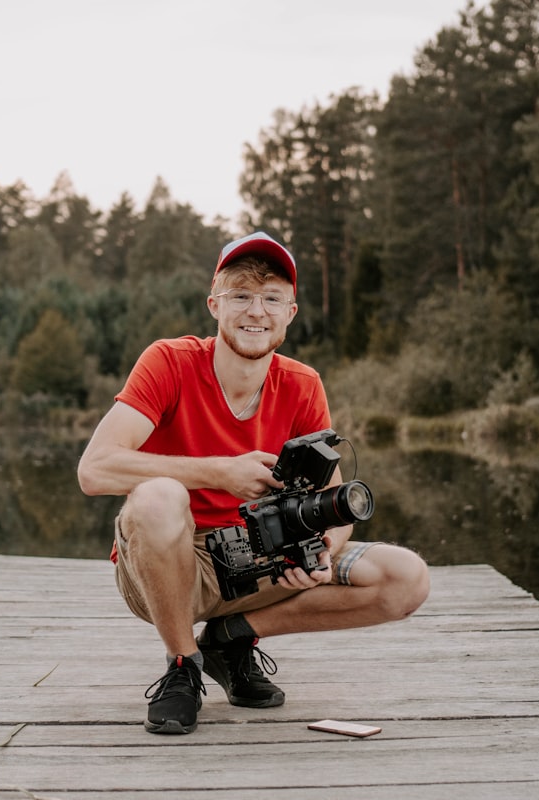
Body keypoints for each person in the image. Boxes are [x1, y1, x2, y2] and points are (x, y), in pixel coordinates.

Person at [77, 232, 430, 734]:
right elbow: (94, 470)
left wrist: (324, 548)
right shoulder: (169, 362)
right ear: (215, 305)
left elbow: (332, 503)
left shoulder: (302, 383)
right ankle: (183, 666)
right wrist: (220, 471)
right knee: (159, 496)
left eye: (271, 298)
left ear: (291, 311)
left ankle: (232, 638)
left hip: (262, 560)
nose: (255, 311)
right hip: (174, 566)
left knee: (407, 578)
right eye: (241, 295)